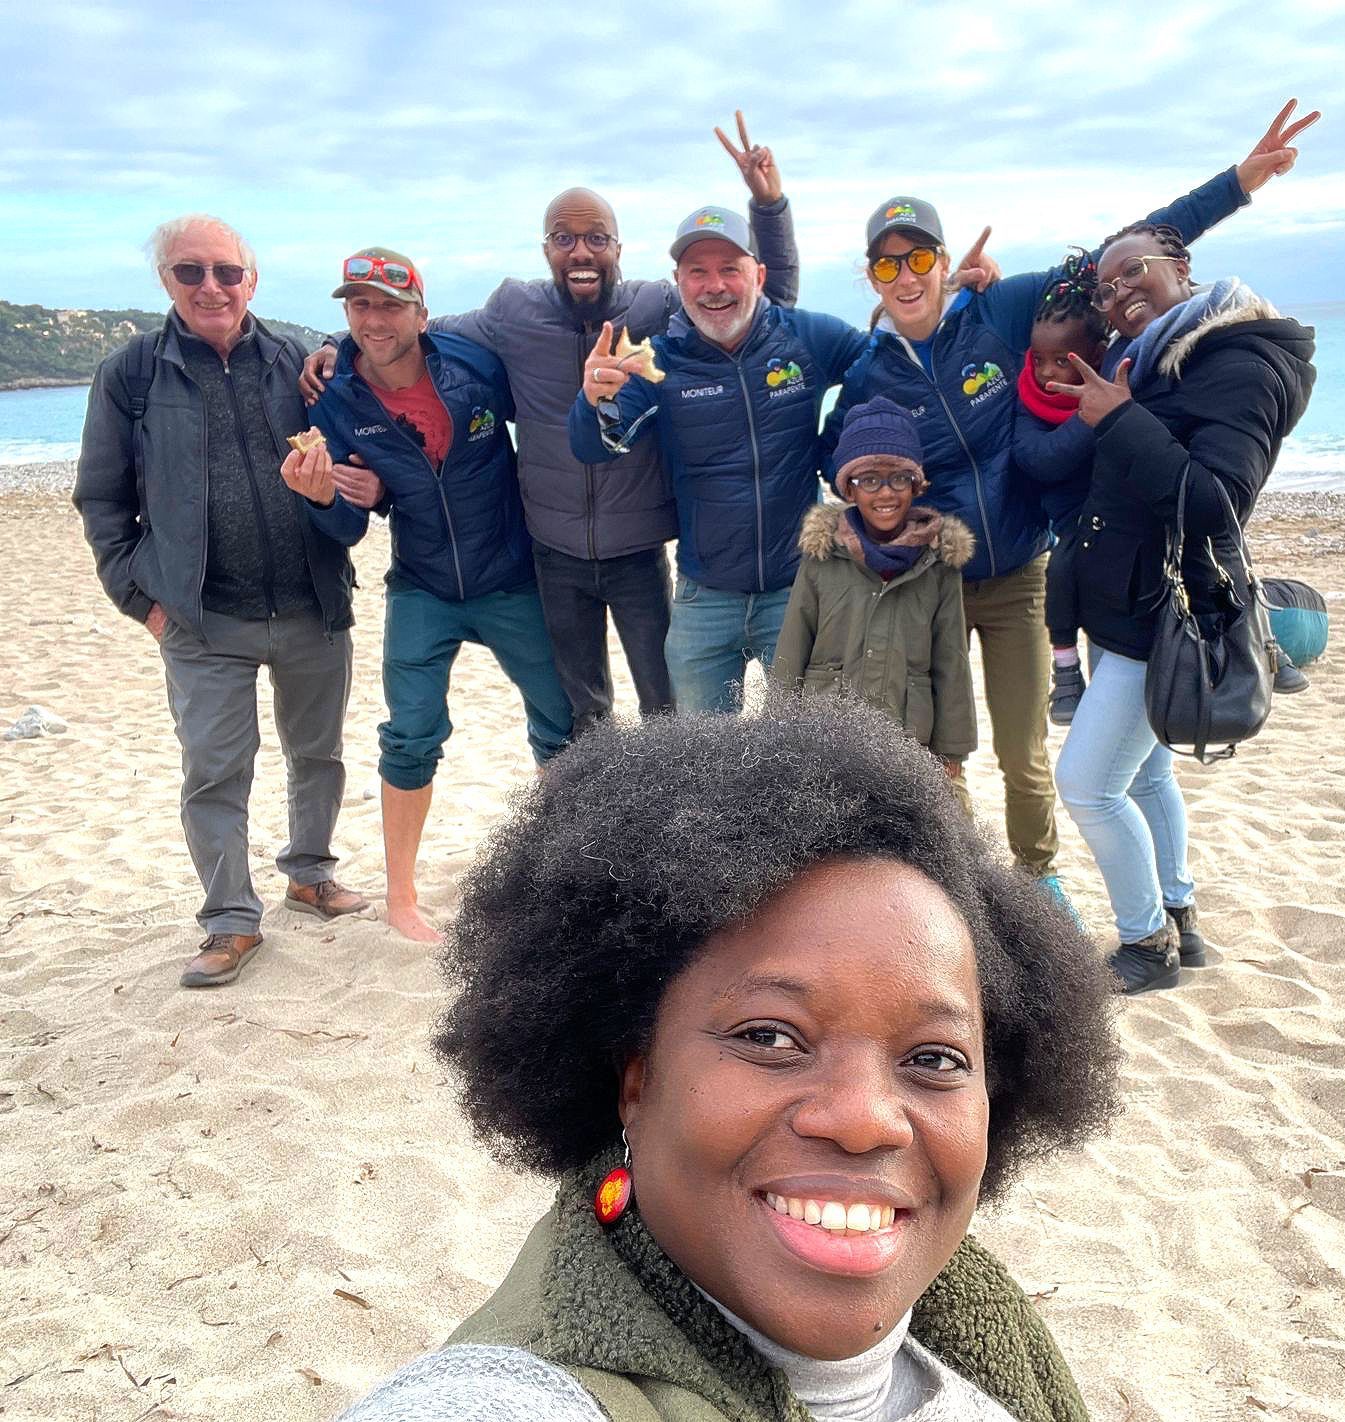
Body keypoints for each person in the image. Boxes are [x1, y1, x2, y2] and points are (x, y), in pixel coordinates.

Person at [338, 694, 1120, 1421]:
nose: (863, 1121)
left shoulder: (981, 1331)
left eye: (935, 1058)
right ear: (635, 1075)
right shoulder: (509, 1398)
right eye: (770, 1037)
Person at [822, 100, 1320, 912]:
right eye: (885, 267)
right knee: (936, 746)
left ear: (946, 263)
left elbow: (1126, 254)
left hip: (1021, 573)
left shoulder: (1006, 309)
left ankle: (1036, 875)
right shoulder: (872, 368)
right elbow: (836, 453)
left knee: (1024, 749)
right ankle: (949, 879)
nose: (905, 277)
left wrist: (1237, 183)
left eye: (919, 258)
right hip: (932, 581)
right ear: (871, 279)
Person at [300, 114, 800, 738]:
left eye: (596, 238)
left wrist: (769, 205)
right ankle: (602, 830)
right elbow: (408, 332)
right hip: (553, 551)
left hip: (640, 547)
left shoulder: (655, 306)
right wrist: (334, 345)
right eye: (563, 238)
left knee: (666, 709)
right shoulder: (513, 310)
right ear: (546, 250)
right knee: (585, 716)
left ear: (618, 249)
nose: (580, 251)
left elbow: (768, 305)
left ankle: (677, 826)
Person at [73, 215, 364, 990]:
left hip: (310, 604)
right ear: (166, 281)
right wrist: (143, 601)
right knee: (214, 771)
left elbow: (356, 455)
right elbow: (100, 501)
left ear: (252, 280)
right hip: (202, 618)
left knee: (319, 755)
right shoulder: (132, 373)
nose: (212, 287)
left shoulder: (300, 361)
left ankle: (309, 875)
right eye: (190, 272)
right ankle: (231, 920)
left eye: (227, 272)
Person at [1048, 225, 1315, 995]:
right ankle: (1181, 920)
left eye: (1135, 272)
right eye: (1105, 286)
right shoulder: (1163, 354)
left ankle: (1145, 945)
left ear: (1182, 268)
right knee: (1145, 779)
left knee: (1089, 784)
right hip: (1125, 608)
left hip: (1161, 620)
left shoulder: (1240, 365)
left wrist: (1120, 417)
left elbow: (1216, 504)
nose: (1119, 291)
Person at [281, 248, 572, 945]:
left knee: (561, 726)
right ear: (346, 313)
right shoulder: (336, 400)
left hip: (512, 576)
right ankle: (402, 899)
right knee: (409, 737)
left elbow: (540, 407)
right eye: (359, 306)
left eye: (389, 304)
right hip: (422, 586)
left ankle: (570, 874)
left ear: (420, 310)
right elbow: (350, 523)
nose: (374, 320)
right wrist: (324, 499)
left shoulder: (472, 364)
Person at [568, 207, 870, 713]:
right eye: (698, 271)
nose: (715, 286)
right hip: (703, 598)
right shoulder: (656, 361)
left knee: (809, 757)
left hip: (799, 589)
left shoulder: (806, 337)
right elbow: (595, 446)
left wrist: (835, 441)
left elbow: (884, 363)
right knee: (703, 766)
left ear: (759, 274)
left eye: (730, 268)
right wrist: (592, 400)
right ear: (679, 282)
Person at [772, 396, 977, 779]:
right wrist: (779, 734)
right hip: (827, 738)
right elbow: (791, 649)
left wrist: (952, 752)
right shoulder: (823, 556)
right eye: (869, 480)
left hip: (906, 740)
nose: (885, 493)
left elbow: (952, 661)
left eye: (899, 478)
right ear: (848, 489)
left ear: (917, 485)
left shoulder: (938, 564)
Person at [1009, 254, 1107, 725]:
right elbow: (1038, 461)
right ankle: (1066, 672)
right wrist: (1095, 417)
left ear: (1095, 358)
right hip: (1070, 525)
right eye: (1039, 359)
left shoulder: (1118, 387)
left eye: (1061, 362)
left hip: (1118, 520)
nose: (1047, 373)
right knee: (1060, 576)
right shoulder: (1028, 400)